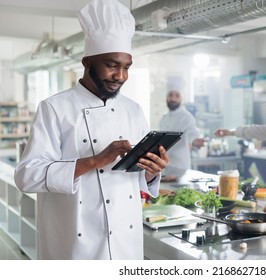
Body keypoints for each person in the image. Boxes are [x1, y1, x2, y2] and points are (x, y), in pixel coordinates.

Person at [13, 0, 168, 260]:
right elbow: (26, 176)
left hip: (125, 245)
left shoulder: (134, 110)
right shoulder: (55, 108)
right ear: (87, 62)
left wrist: (152, 171)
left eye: (126, 67)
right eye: (111, 65)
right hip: (76, 245)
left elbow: (138, 180)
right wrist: (95, 160)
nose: (120, 75)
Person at [159, 89, 206, 178]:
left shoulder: (187, 117)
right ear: (166, 97)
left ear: (181, 99)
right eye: (170, 95)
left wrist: (195, 141)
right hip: (164, 165)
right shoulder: (164, 118)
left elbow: (192, 133)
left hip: (180, 167)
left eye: (177, 96)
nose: (173, 99)